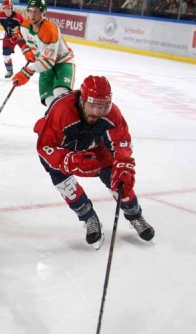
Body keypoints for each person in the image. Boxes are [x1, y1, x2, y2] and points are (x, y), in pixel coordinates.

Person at [34, 76, 155, 248]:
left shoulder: (112, 113)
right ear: (82, 101)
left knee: (118, 178)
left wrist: (124, 164)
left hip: (94, 146)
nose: (98, 113)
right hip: (62, 149)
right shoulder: (62, 111)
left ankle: (135, 216)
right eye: (93, 106)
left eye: (103, 107)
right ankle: (89, 218)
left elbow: (122, 141)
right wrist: (70, 160)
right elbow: (45, 146)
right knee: (66, 185)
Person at [11, 0, 75, 107]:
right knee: (49, 102)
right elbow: (22, 39)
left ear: (43, 12)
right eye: (30, 11)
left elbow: (49, 62)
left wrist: (27, 72)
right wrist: (27, 50)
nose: (32, 14)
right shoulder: (25, 26)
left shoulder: (49, 30)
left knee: (60, 95)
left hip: (63, 63)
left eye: (36, 11)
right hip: (43, 64)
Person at [0, 0, 25, 78]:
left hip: (21, 38)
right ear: (3, 8)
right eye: (5, 8)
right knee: (5, 53)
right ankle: (9, 70)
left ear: (12, 8)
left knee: (29, 54)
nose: (7, 10)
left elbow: (25, 29)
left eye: (9, 8)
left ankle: (42, 69)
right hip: (8, 37)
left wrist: (17, 36)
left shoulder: (19, 17)